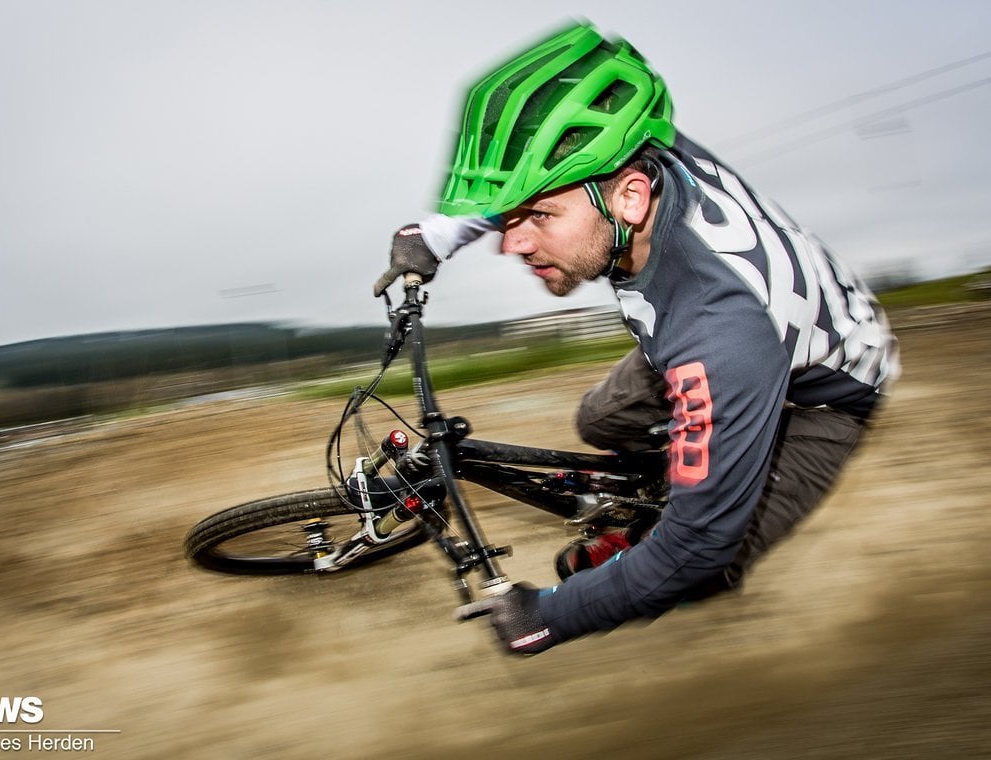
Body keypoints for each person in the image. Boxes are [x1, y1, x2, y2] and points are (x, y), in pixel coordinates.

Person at [373, 21, 899, 655]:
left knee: (710, 566)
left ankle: (694, 482)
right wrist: (434, 237)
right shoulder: (629, 153)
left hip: (830, 393)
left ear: (629, 197)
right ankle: (684, 474)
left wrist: (547, 615)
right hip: (759, 323)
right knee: (599, 420)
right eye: (511, 218)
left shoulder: (717, 334)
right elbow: (531, 171)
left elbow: (698, 551)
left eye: (538, 217)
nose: (511, 242)